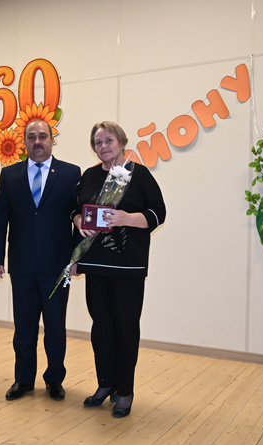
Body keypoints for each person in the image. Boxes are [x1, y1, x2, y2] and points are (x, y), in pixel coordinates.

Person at [72, 121, 166, 418]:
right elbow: (75, 210)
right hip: (95, 265)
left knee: (125, 329)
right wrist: (77, 224)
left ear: (122, 142)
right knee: (101, 329)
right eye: (98, 142)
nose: (103, 146)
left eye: (108, 140)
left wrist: (126, 218)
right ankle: (105, 384)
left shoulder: (139, 175)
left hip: (128, 266)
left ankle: (124, 391)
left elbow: (158, 213)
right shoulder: (88, 176)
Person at [0, 119, 81, 402]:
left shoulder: (71, 173)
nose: (37, 141)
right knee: (24, 328)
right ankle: (23, 380)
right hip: (22, 264)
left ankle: (55, 380)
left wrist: (77, 257)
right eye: (31, 137)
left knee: (55, 327)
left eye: (43, 136)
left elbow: (78, 219)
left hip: (58, 266)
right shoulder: (9, 175)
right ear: (24, 142)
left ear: (52, 140)